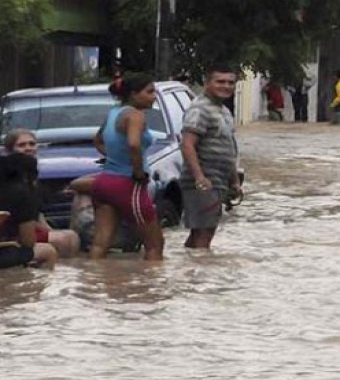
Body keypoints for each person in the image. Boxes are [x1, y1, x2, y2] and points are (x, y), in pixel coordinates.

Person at [89, 73, 165, 260]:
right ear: (133, 94)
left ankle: (95, 281)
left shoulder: (113, 112)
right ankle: (151, 287)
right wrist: (138, 172)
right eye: (149, 92)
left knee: (100, 243)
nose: (154, 96)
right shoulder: (135, 115)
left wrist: (114, 157)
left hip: (104, 182)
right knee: (155, 245)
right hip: (128, 184)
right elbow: (133, 143)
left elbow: (98, 141)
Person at [180, 65, 241, 249]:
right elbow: (187, 144)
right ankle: (199, 273)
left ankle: (190, 270)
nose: (226, 86)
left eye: (230, 82)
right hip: (203, 181)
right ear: (207, 83)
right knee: (204, 232)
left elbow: (229, 149)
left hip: (218, 181)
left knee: (201, 231)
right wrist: (199, 177)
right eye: (220, 81)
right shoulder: (200, 109)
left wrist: (235, 181)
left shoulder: (224, 111)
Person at [4, 130, 81, 257]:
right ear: (9, 150)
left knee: (71, 235)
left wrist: (51, 231)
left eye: (31, 144)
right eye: (21, 145)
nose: (28, 148)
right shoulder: (11, 178)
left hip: (29, 226)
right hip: (14, 231)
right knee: (65, 240)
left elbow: (37, 214)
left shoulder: (31, 176)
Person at [0, 154, 58, 269]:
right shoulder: (24, 194)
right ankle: (38, 285)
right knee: (48, 251)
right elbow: (28, 242)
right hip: (5, 254)